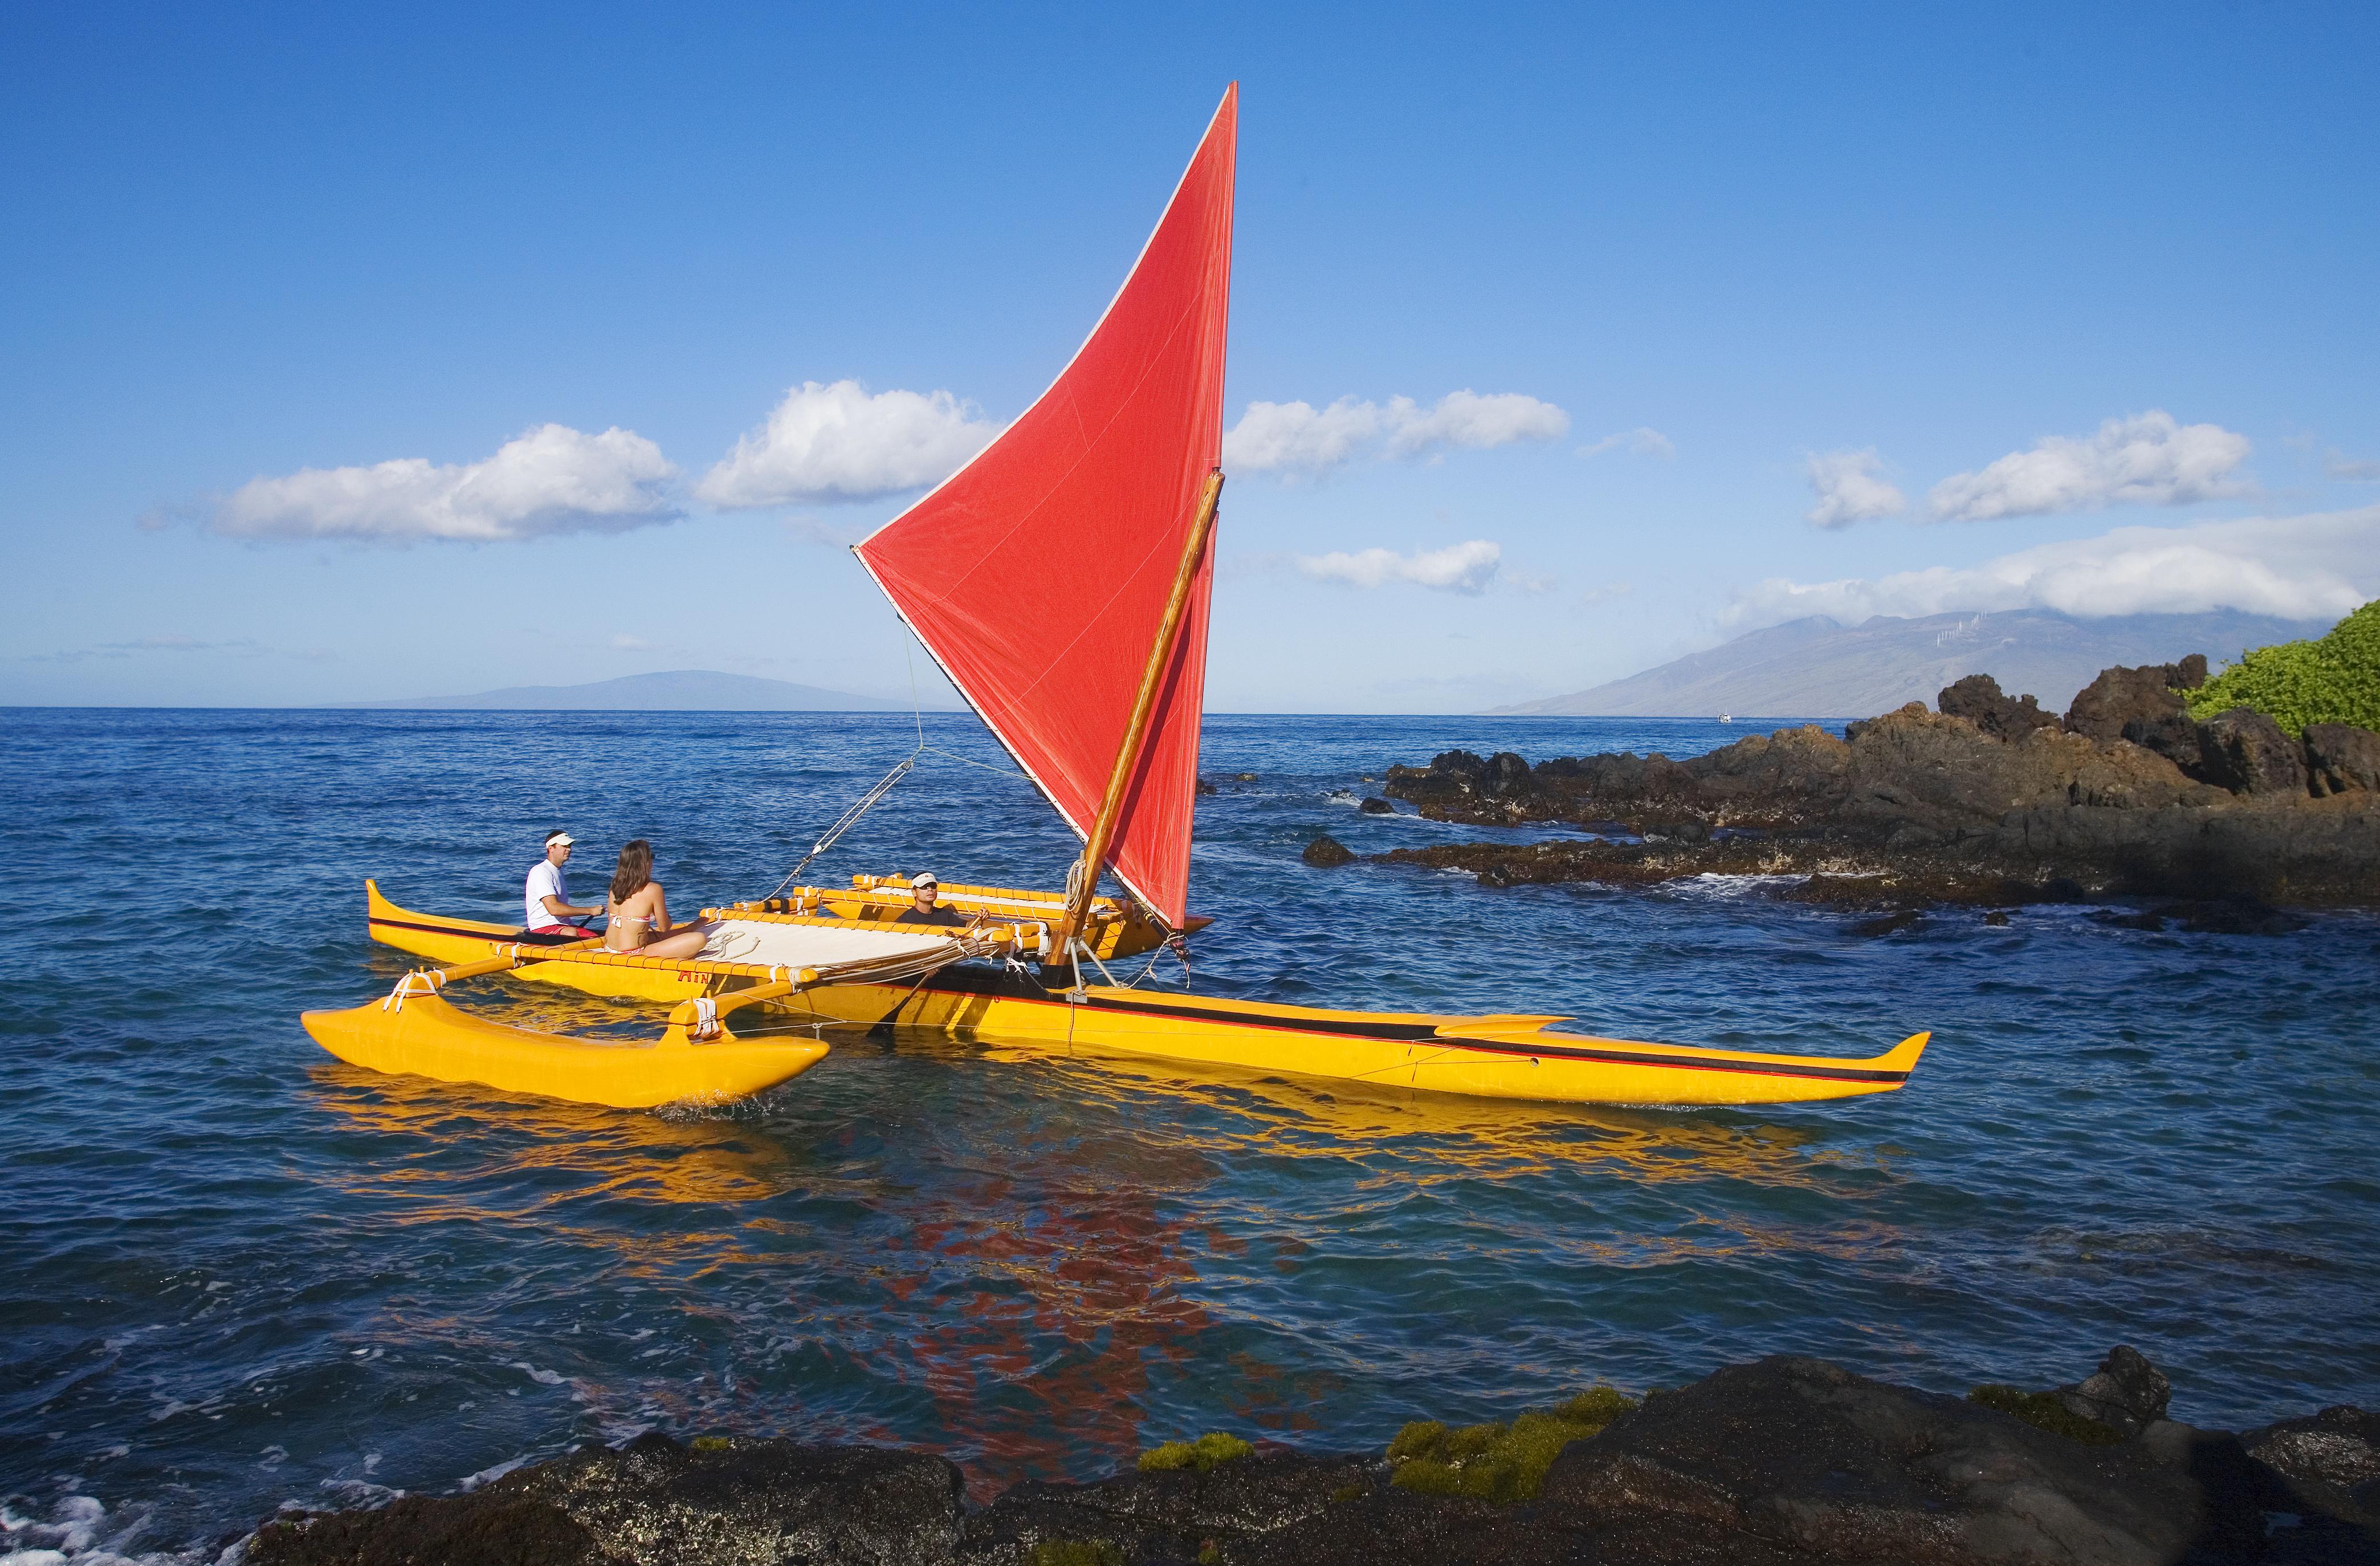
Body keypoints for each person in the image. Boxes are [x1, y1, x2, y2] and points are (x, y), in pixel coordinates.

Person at [601, 839, 712, 960]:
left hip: (610, 949)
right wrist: (667, 918)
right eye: (652, 857)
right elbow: (665, 927)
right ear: (645, 862)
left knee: (654, 936)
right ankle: (692, 928)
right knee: (699, 939)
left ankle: (691, 928)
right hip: (634, 953)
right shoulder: (653, 889)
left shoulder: (614, 888)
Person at [523, 830, 602, 938]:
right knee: (571, 933)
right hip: (542, 928)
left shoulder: (557, 871)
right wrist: (590, 911)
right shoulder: (541, 871)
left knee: (601, 936)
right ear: (551, 849)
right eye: (564, 846)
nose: (569, 849)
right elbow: (554, 909)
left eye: (569, 845)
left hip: (563, 926)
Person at [892, 872, 967, 927]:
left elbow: (967, 926)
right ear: (914, 893)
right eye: (924, 887)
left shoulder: (945, 915)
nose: (930, 890)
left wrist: (978, 918)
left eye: (933, 886)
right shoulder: (905, 920)